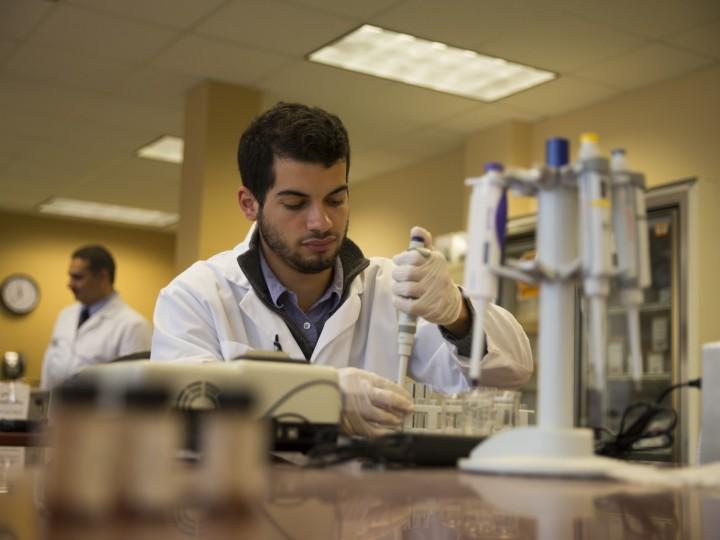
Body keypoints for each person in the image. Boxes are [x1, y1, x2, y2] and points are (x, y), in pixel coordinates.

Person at [151, 103, 533, 437]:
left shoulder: (389, 288)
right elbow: (184, 405)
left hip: (366, 514)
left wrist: (458, 314)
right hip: (243, 509)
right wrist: (323, 395)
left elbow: (511, 374)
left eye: (336, 199)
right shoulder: (196, 295)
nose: (321, 222)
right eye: (295, 203)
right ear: (249, 203)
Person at [41, 245, 152, 389]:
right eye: (70, 276)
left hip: (97, 411)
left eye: (77, 277)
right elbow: (49, 365)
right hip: (53, 406)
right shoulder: (66, 315)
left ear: (102, 277)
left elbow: (134, 386)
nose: (70, 284)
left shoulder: (133, 325)